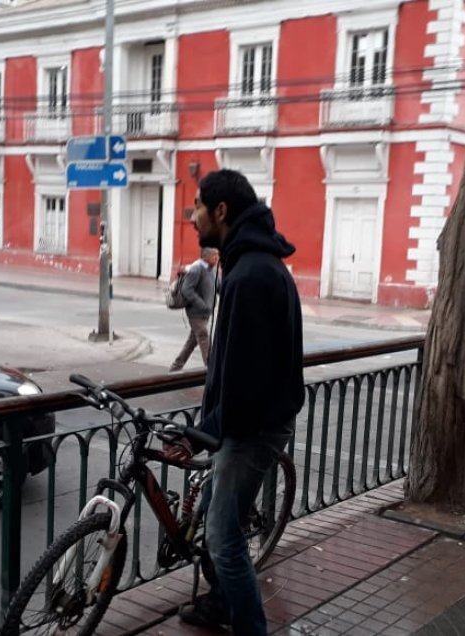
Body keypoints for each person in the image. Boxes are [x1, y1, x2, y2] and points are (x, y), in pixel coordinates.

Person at [165, 170, 305, 634]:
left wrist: (202, 435)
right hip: (258, 420)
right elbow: (236, 368)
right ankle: (221, 602)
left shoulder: (248, 275)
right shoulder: (253, 263)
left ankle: (248, 625)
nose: (192, 216)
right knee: (212, 511)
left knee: (224, 540)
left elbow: (243, 383)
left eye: (199, 206)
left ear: (221, 212)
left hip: (252, 429)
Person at [169, 247, 219, 372]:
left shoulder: (212, 270)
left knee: (192, 341)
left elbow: (219, 286)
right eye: (214, 255)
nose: (217, 258)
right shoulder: (196, 269)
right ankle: (211, 370)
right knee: (203, 336)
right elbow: (186, 290)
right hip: (195, 312)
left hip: (206, 312)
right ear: (205, 256)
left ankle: (175, 368)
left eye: (217, 255)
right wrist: (202, 304)